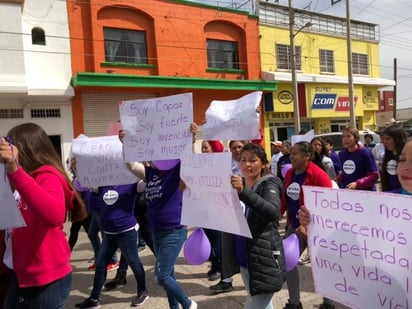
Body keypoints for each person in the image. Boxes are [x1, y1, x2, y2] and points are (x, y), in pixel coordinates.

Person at [297, 137, 412, 309]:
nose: (406, 166)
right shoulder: (386, 204)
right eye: (402, 159)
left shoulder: (365, 156)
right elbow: (352, 236)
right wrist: (314, 225)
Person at [0, 123, 87, 308]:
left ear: (23, 148)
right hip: (19, 275)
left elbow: (53, 215)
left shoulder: (47, 176)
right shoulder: (18, 182)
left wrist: (15, 170)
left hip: (45, 280)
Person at [121, 123, 198, 309]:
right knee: (169, 274)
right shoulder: (151, 173)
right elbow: (131, 165)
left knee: (161, 276)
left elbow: (191, 160)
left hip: (174, 230)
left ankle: (188, 304)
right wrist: (125, 143)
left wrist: (191, 139)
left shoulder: (177, 170)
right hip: (157, 231)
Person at [229, 143, 285, 308]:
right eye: (243, 160)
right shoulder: (236, 186)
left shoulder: (270, 184)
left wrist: (244, 192)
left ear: (264, 164)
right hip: (246, 258)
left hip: (263, 258)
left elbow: (272, 211)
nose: (247, 164)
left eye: (253, 160)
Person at [75, 183, 148, 308]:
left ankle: (143, 292)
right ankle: (94, 298)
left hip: (127, 232)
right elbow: (80, 184)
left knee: (134, 262)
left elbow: (147, 181)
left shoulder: (131, 183)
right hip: (109, 233)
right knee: (101, 264)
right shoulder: (102, 184)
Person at [280, 141, 332, 309]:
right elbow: (285, 198)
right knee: (287, 261)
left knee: (321, 265)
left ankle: (328, 303)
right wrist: (277, 214)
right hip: (293, 226)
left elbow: (328, 206)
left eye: (295, 153)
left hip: (316, 229)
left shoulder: (319, 176)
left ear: (307, 156)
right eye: (291, 153)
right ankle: (294, 303)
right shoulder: (289, 173)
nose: (291, 156)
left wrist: (309, 227)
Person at [209, 140, 247, 294]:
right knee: (225, 246)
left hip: (248, 213)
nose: (237, 150)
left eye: (240, 147)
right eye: (234, 147)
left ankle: (252, 281)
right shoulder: (225, 164)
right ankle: (226, 281)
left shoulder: (251, 164)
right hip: (228, 211)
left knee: (247, 248)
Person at [104, 179, 155, 291]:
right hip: (127, 213)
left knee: (152, 242)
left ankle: (166, 272)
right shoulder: (117, 173)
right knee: (126, 248)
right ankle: (121, 275)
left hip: (141, 211)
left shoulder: (137, 167)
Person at [201, 140, 225, 281]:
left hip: (217, 209)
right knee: (208, 239)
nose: (204, 150)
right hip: (203, 209)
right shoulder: (199, 164)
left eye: (206, 147)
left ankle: (219, 267)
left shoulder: (219, 164)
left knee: (217, 240)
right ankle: (214, 263)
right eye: (202, 148)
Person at [379, 124, 407, 192]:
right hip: (389, 197)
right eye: (383, 139)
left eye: (388, 138)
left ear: (398, 139)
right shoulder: (388, 156)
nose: (385, 142)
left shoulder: (407, 158)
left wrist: (393, 193)